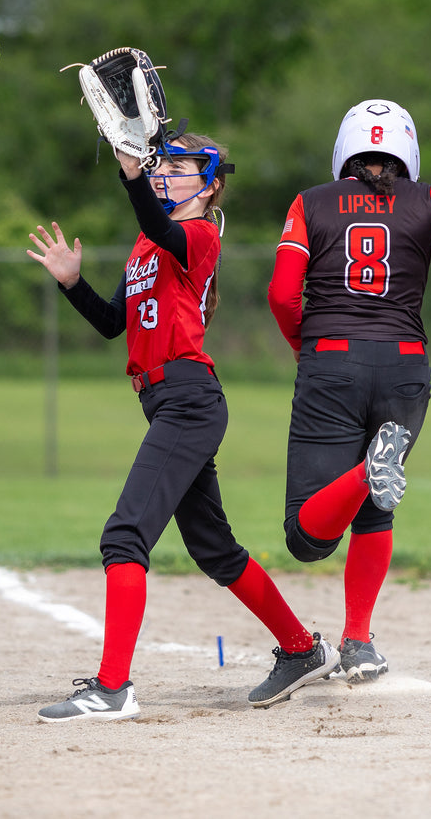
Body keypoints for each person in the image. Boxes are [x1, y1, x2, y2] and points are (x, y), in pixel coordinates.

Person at [26, 132, 339, 721]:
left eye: (180, 167)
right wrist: (71, 283)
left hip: (188, 402)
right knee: (216, 550)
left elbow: (159, 220)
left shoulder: (196, 235)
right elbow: (112, 323)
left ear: (211, 183)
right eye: (160, 166)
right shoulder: (148, 245)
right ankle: (303, 650)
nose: (165, 174)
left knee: (124, 536)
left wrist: (130, 174)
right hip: (168, 401)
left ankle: (113, 689)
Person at [267, 100, 431, 683]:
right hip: (405, 364)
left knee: (306, 535)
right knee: (376, 511)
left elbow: (282, 295)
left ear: (344, 150)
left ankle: (364, 472)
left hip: (331, 362)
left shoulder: (310, 202)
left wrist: (307, 344)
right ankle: (358, 642)